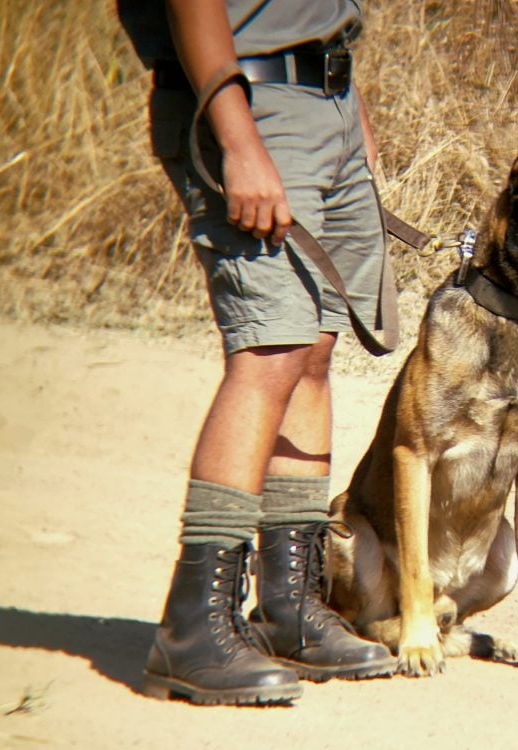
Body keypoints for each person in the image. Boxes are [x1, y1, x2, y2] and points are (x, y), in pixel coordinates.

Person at [119, 0, 396, 705]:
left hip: (326, 99)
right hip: (249, 105)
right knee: (270, 348)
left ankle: (287, 609)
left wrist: (349, 110)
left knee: (312, 349)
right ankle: (192, 628)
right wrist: (238, 142)